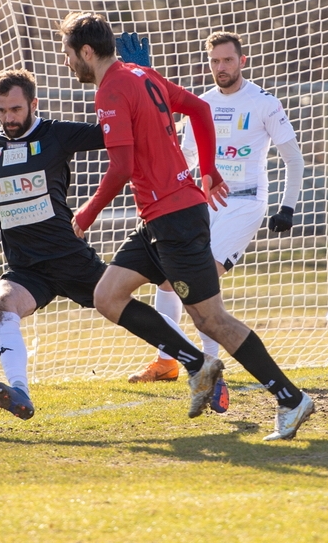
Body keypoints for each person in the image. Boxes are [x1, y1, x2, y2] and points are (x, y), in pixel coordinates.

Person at [60, 12, 314, 440]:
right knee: (107, 295)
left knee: (212, 320)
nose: (66, 62)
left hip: (175, 218)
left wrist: (85, 214)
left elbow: (120, 166)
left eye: (68, 53)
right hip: (161, 217)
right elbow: (198, 107)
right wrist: (209, 167)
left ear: (87, 51)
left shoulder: (111, 90)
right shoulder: (140, 73)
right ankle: (198, 365)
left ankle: (290, 398)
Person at [0, 68, 199, 420]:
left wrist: (141, 97)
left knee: (122, 309)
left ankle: (199, 362)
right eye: (1, 110)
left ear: (32, 103)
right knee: (2, 305)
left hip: (69, 258)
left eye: (15, 109)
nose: (8, 118)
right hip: (27, 268)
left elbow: (117, 135)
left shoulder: (56, 134)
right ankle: (20, 393)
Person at [118, 31, 304, 417]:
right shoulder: (200, 104)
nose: (221, 68)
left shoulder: (264, 103)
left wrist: (287, 207)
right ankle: (168, 360)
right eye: (215, 62)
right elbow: (184, 157)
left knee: (204, 283)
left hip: (244, 204)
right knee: (169, 279)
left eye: (228, 60)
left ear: (242, 60)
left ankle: (210, 371)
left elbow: (293, 159)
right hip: (203, 203)